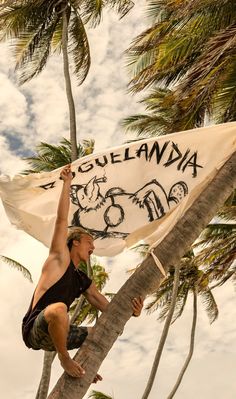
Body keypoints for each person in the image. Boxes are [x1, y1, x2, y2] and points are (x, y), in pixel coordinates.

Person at [22, 164, 143, 379]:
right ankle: (65, 359)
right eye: (89, 242)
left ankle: (85, 366)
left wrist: (133, 312)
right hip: (37, 329)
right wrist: (67, 183)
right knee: (59, 309)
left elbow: (110, 310)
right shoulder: (58, 259)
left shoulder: (82, 280)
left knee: (104, 330)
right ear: (75, 242)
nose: (93, 247)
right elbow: (61, 220)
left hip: (60, 334)